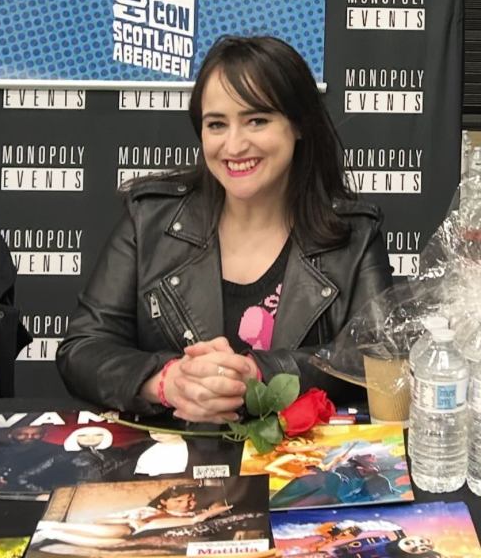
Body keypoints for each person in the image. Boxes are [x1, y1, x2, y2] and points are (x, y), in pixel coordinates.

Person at [57, 35, 393, 422]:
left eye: (256, 120)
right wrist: (167, 382)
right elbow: (83, 348)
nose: (234, 146)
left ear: (299, 125)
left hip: (297, 472)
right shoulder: (149, 219)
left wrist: (257, 374)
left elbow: (377, 360)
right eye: (217, 124)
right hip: (172, 464)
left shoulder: (353, 235)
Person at [35, 484, 231, 547]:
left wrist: (207, 511)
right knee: (123, 531)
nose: (187, 504)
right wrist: (128, 519)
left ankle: (52, 533)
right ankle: (52, 526)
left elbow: (222, 505)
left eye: (190, 500)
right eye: (179, 501)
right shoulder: (147, 511)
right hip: (127, 528)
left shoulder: (197, 513)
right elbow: (99, 520)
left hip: (136, 540)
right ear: (163, 502)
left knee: (118, 543)